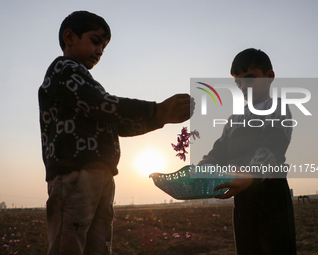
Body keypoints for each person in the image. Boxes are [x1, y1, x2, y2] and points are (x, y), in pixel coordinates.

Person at [38, 11, 194, 255]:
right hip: (75, 174)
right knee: (69, 245)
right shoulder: (63, 70)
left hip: (100, 175)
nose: (100, 50)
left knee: (99, 246)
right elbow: (100, 104)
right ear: (69, 37)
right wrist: (157, 110)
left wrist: (161, 118)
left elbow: (116, 124)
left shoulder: (86, 81)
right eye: (95, 40)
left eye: (104, 45)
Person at [198, 48, 296, 254]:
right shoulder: (234, 119)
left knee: (276, 247)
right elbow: (219, 150)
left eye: (250, 78)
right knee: (247, 247)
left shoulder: (277, 107)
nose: (244, 86)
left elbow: (274, 144)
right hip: (242, 196)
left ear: (269, 77)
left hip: (271, 193)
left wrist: (251, 174)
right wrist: (203, 167)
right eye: (238, 82)